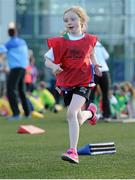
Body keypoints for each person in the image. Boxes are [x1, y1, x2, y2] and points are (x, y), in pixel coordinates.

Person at [44, 6, 102, 164]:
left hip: (84, 81)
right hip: (67, 83)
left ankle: (73, 151)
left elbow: (91, 54)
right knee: (78, 117)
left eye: (73, 19)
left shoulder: (89, 40)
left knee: (71, 113)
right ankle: (90, 113)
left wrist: (96, 65)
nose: (69, 22)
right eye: (66, 20)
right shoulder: (60, 42)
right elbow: (47, 60)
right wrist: (53, 66)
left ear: (81, 20)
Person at [4, 22, 31, 120]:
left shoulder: (9, 43)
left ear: (9, 33)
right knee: (21, 91)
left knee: (11, 90)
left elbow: (1, 51)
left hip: (15, 69)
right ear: (16, 33)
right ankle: (27, 112)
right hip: (23, 68)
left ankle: (16, 113)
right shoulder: (23, 42)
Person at [89, 41, 111, 120]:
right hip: (104, 70)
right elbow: (106, 56)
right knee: (105, 95)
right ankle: (107, 115)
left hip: (93, 72)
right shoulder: (98, 43)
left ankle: (89, 115)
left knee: (90, 95)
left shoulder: (84, 42)